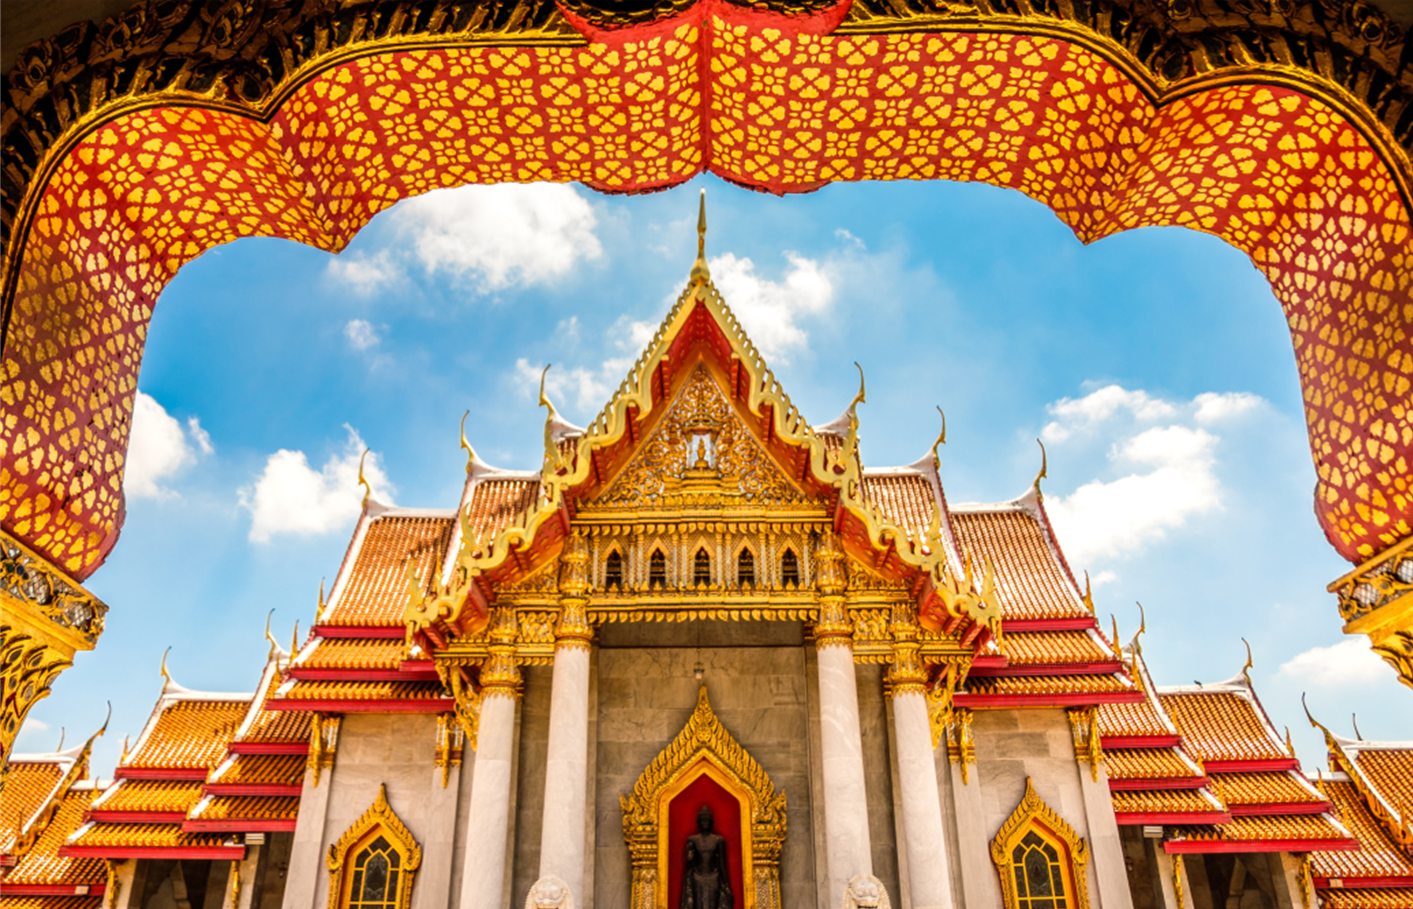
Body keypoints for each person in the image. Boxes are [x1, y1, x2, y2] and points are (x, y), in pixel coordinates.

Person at [680, 804, 733, 909]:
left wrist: (726, 886)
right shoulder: (693, 840)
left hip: (713, 876)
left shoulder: (718, 840)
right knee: (698, 905)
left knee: (712, 905)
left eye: (707, 820)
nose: (705, 822)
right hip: (697, 876)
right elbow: (690, 864)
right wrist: (689, 856)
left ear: (711, 822)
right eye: (702, 820)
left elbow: (722, 865)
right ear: (698, 823)